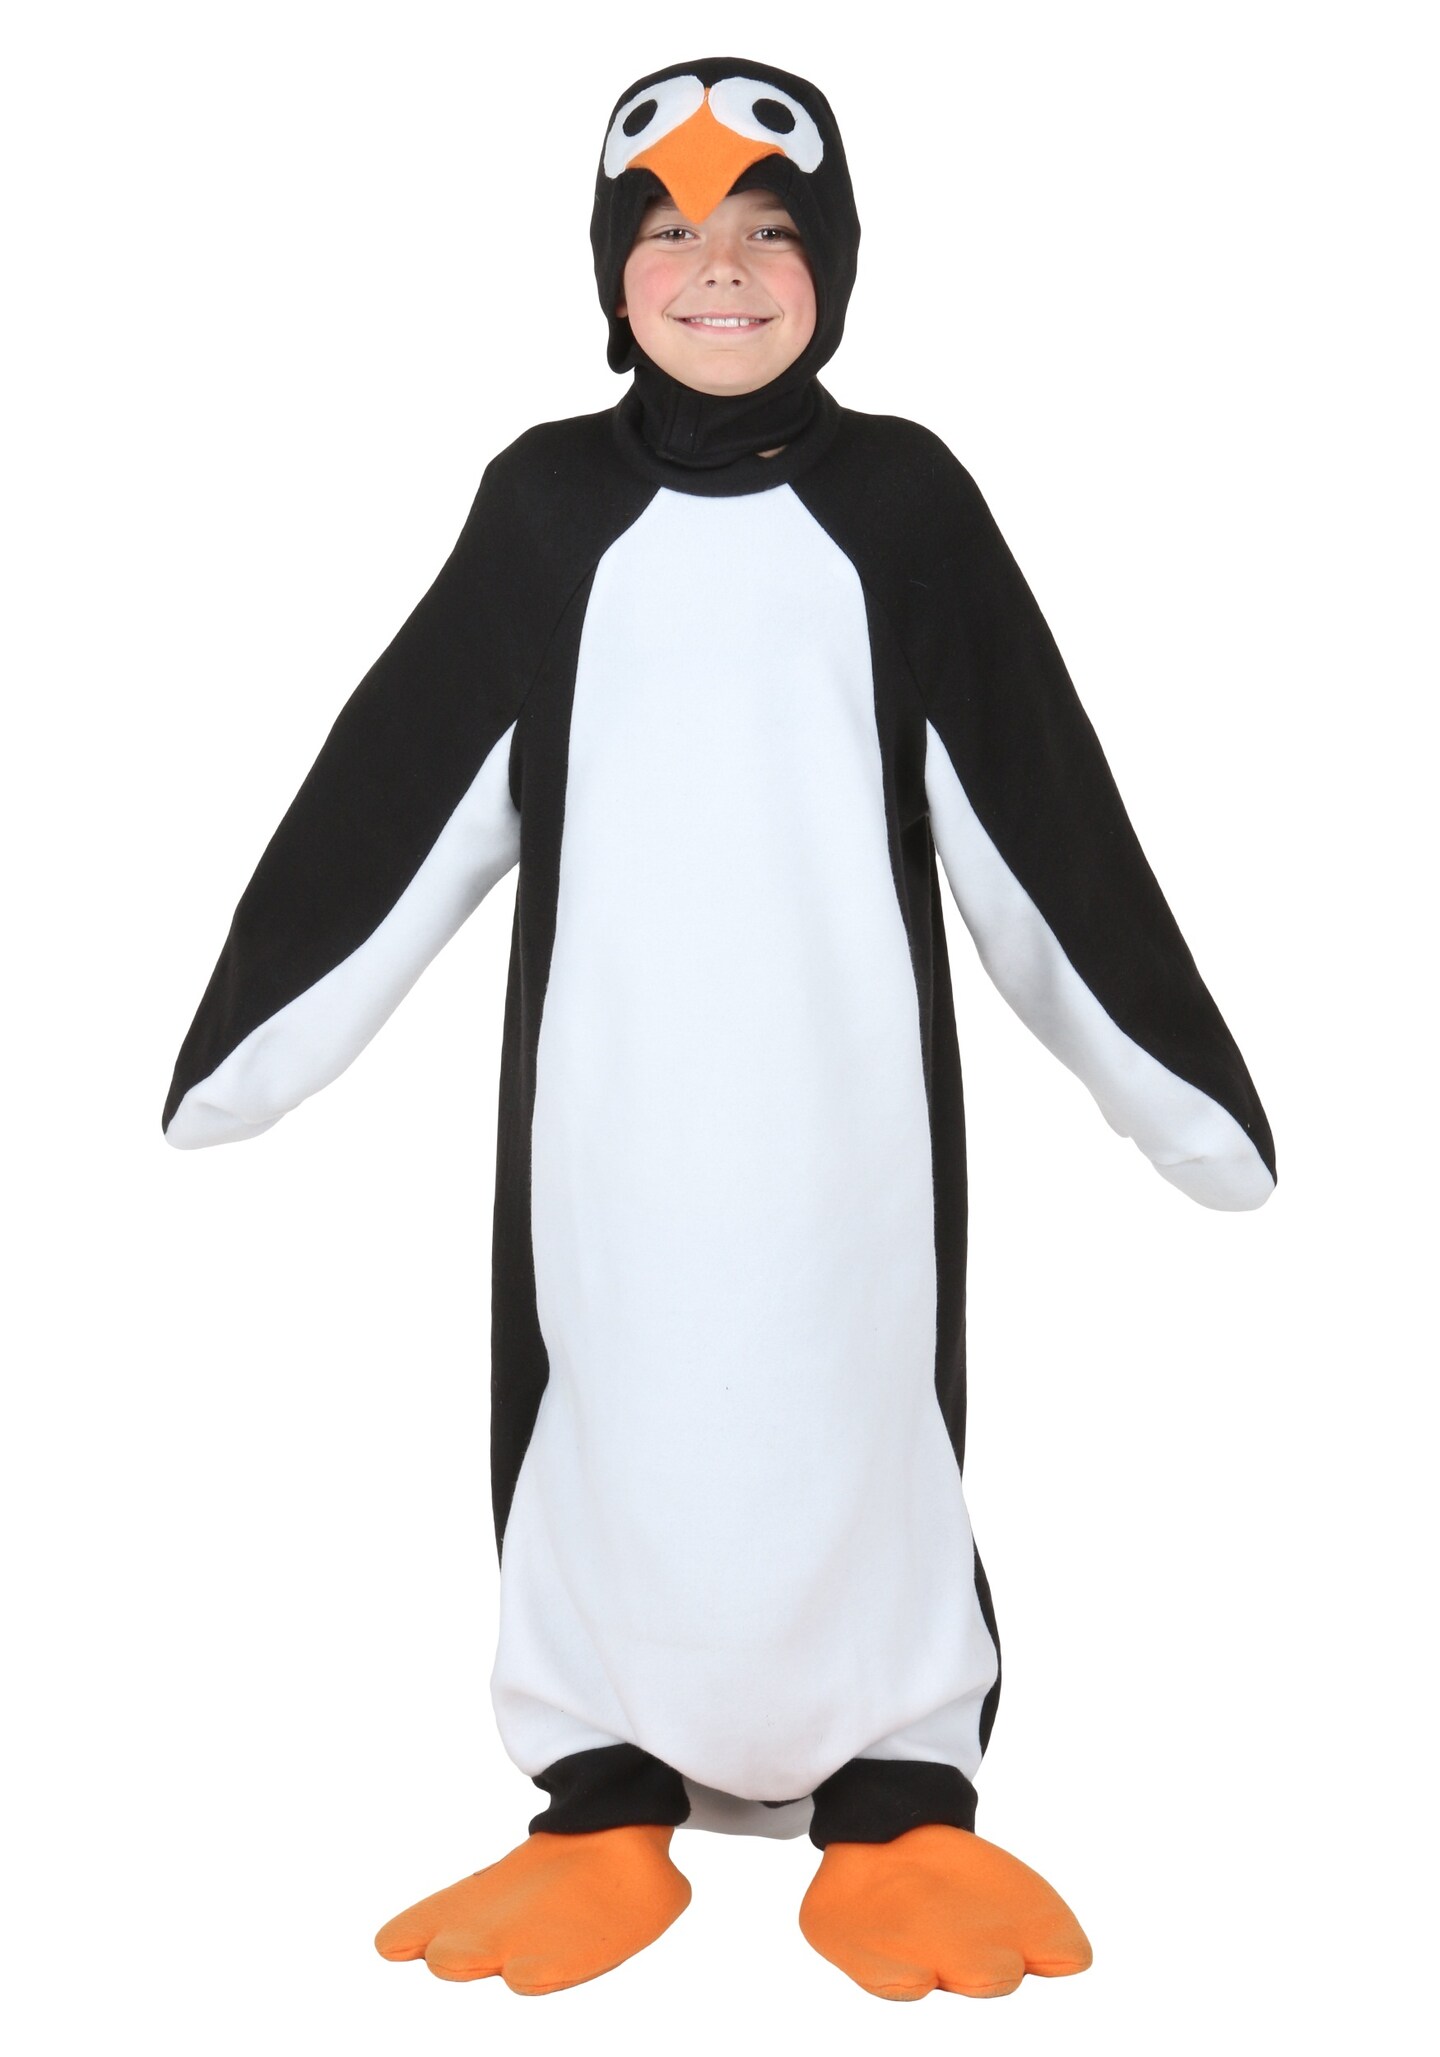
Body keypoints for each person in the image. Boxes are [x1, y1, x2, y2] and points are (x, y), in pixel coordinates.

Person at [163, 58, 1275, 2001]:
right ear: (611, 276)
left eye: (769, 231)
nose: (722, 271)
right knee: (606, 1406)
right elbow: (398, 792)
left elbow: (1042, 816)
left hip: (849, 1141)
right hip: (606, 1136)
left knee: (857, 1404)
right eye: (670, 234)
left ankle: (902, 1792)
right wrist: (248, 1043)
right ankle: (600, 1787)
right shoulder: (548, 511)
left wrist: (1182, 1088)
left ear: (835, 262)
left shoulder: (903, 506)